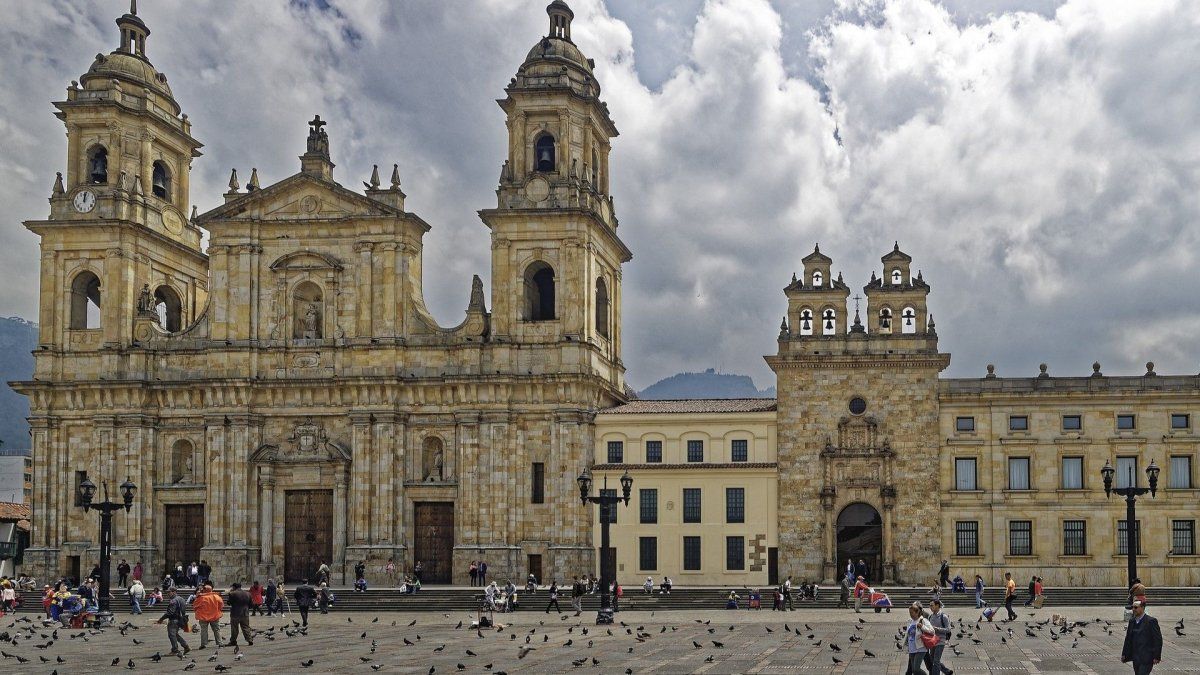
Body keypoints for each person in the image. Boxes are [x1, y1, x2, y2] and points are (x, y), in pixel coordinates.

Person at [1121, 600, 1162, 674]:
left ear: (1142, 608)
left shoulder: (1151, 621)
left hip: (1147, 657)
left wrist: (1157, 656)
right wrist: (1124, 654)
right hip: (1136, 657)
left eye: (1136, 607)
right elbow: (1128, 639)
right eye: (1132, 607)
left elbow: (1157, 640)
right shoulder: (1132, 621)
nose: (1133, 609)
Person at [156, 587, 191, 656]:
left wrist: (161, 619)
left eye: (169, 592)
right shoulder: (181, 599)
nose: (168, 594)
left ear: (174, 592)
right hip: (181, 620)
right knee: (175, 634)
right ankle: (186, 646)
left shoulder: (173, 601)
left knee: (171, 635)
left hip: (174, 620)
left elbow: (170, 612)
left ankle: (175, 650)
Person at [904, 601, 934, 675]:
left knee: (916, 669)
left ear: (917, 612)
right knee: (913, 670)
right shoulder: (910, 621)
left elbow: (932, 631)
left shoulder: (923, 620)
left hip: (920, 648)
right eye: (909, 613)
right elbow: (908, 634)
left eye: (912, 613)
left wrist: (922, 627)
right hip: (912, 649)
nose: (910, 614)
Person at [926, 598, 954, 675]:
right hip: (932, 641)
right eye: (930, 605)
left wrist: (937, 629)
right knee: (932, 660)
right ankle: (946, 671)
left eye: (932, 605)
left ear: (937, 605)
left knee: (936, 661)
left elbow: (948, 629)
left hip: (940, 641)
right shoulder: (930, 616)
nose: (930, 607)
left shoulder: (943, 616)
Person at [193, 583, 224, 648]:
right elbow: (221, 606)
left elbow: (195, 606)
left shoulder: (201, 598)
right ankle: (220, 643)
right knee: (217, 630)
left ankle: (203, 644)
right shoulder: (216, 597)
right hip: (215, 616)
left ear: (204, 590)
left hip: (203, 617)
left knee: (204, 630)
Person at [227, 582, 253, 647]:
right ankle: (250, 640)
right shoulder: (248, 593)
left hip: (235, 613)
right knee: (246, 627)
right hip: (245, 613)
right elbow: (251, 605)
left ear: (234, 587)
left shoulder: (232, 593)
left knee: (234, 628)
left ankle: (233, 641)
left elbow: (229, 603)